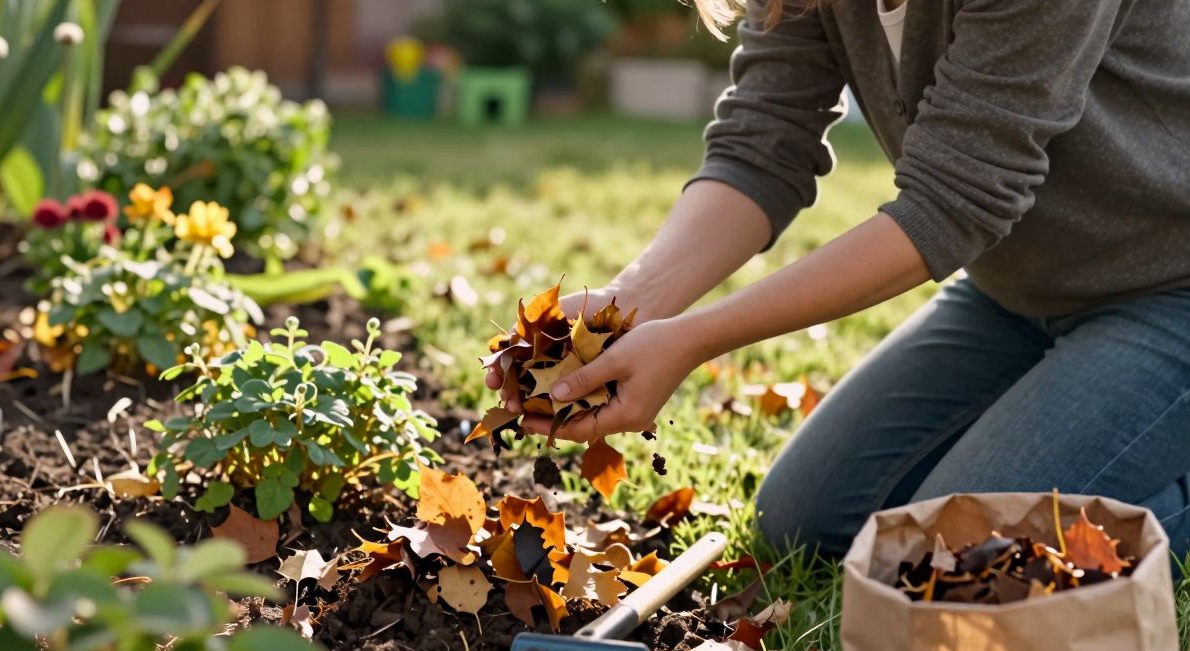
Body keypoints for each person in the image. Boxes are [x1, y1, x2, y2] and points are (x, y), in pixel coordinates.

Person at [486, 0, 1190, 559]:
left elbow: (953, 201)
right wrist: (629, 305)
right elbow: (764, 142)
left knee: (953, 556)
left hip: (1171, 286)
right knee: (805, 521)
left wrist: (693, 339)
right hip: (1013, 295)